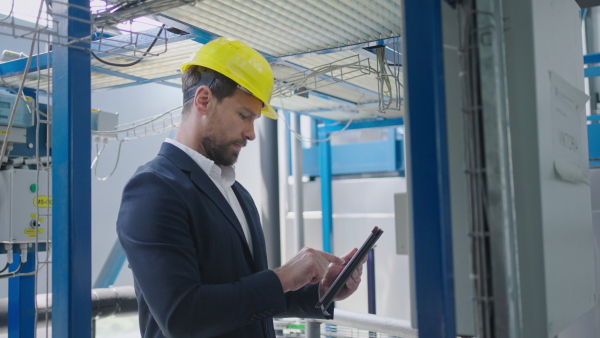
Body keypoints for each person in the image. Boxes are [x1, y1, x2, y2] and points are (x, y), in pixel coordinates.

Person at [116, 37, 364, 338]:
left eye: (255, 119)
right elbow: (182, 316)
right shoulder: (153, 189)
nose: (251, 133)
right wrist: (282, 276)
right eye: (244, 116)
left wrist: (322, 291)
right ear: (203, 100)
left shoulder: (237, 194)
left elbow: (245, 296)